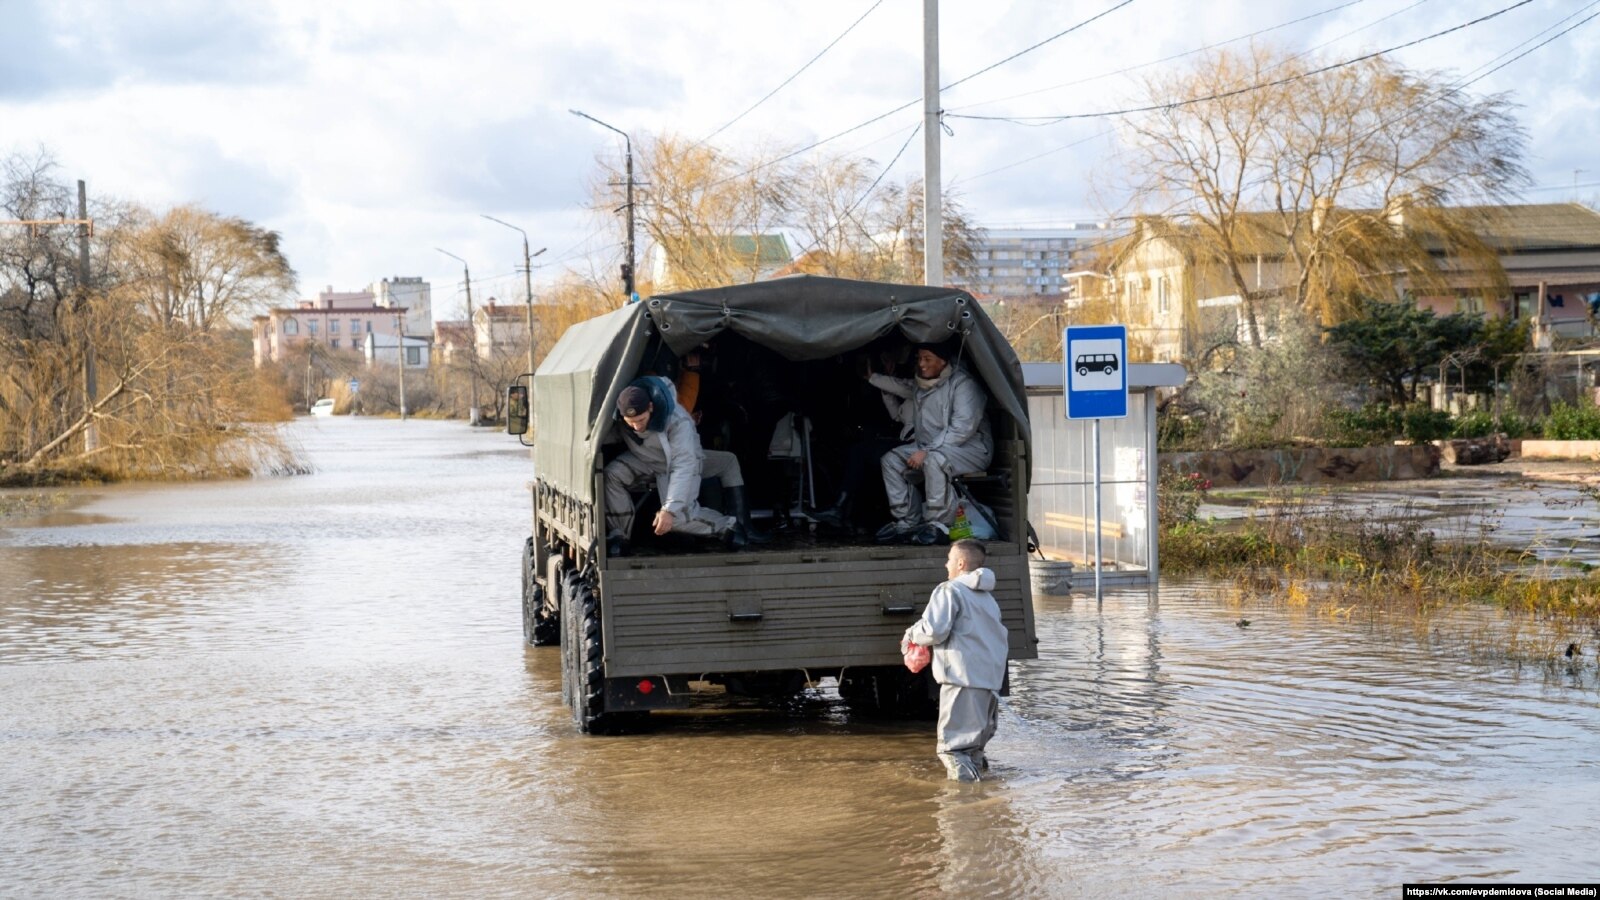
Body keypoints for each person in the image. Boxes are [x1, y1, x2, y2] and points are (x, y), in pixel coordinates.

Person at [603, 376, 752, 556]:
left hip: (680, 464)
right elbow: (613, 435)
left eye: (641, 420)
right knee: (612, 474)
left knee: (677, 519)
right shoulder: (625, 419)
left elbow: (684, 465)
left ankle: (728, 527)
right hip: (647, 460)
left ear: (651, 407)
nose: (636, 426)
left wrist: (669, 510)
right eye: (630, 422)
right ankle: (620, 534)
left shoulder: (678, 421)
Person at [902, 538, 1008, 783]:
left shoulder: (949, 590)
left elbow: (934, 630)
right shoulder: (987, 597)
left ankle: (961, 811)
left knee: (953, 749)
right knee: (973, 750)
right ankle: (984, 807)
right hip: (989, 681)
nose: (945, 565)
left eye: (949, 560)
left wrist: (911, 635)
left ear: (961, 563)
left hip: (962, 678)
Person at [874, 341, 993, 544]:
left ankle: (938, 524)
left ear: (943, 361)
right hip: (931, 447)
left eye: (927, 359)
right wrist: (872, 377)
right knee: (891, 460)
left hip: (970, 450)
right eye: (919, 358)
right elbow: (901, 387)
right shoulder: (922, 385)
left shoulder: (964, 385)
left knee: (934, 460)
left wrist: (928, 451)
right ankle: (907, 521)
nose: (922, 364)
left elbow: (962, 429)